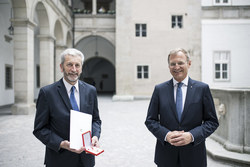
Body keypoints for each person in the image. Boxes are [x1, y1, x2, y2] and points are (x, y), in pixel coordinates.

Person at [145, 48, 219, 167]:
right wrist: (166, 135)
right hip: (166, 157)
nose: (176, 67)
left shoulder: (202, 89)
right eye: (172, 64)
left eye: (180, 63)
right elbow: (150, 120)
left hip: (194, 157)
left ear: (189, 64)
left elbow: (212, 122)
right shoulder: (160, 90)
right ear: (168, 66)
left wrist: (192, 136)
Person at [33, 48, 102, 167]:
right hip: (59, 159)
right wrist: (61, 143)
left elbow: (96, 120)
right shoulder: (47, 93)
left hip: (86, 160)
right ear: (61, 67)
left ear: (81, 68)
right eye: (69, 65)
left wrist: (95, 136)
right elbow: (39, 129)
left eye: (77, 65)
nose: (73, 69)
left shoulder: (91, 91)